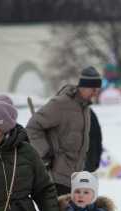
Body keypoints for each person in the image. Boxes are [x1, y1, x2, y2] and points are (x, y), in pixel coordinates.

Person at [26, 66, 102, 195]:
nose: (96, 93)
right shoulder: (60, 104)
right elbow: (33, 126)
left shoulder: (85, 109)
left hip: (76, 179)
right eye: (93, 89)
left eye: (97, 90)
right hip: (57, 178)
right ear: (83, 87)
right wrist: (44, 152)